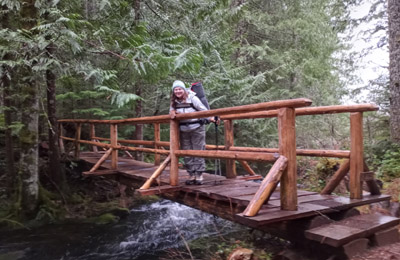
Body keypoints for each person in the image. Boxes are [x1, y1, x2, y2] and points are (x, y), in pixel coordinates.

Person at [169, 80, 216, 185]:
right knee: (186, 152)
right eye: (175, 89)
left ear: (184, 89)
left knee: (198, 151)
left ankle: (199, 175)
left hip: (197, 127)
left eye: (179, 89)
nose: (178, 91)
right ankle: (191, 174)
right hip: (183, 130)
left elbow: (203, 110)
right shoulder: (174, 101)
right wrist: (172, 112)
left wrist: (211, 118)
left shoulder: (192, 98)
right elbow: (170, 112)